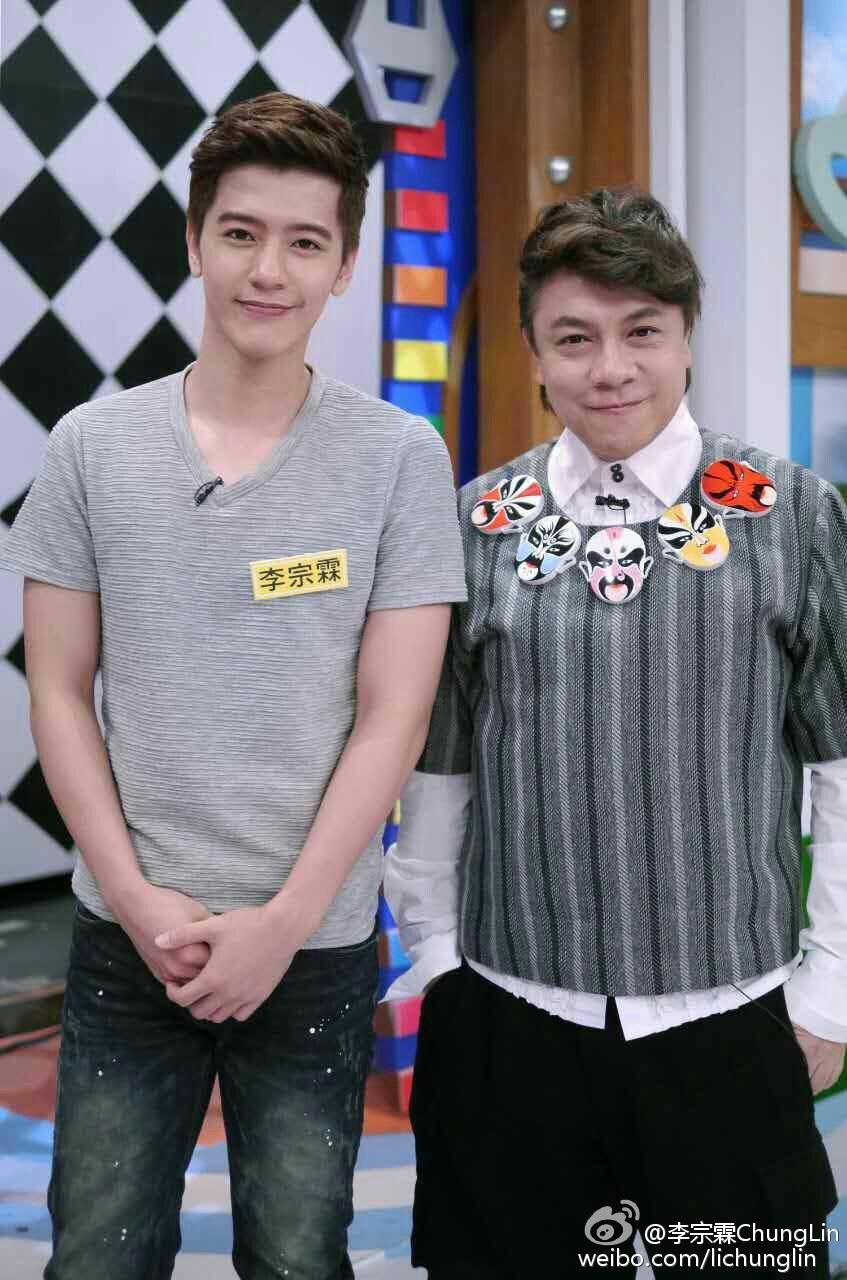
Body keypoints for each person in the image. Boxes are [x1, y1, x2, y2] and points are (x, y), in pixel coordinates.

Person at [0, 91, 466, 1280]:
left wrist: (285, 922)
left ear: (344, 265)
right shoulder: (92, 446)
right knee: (96, 1253)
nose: (269, 270)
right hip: (126, 936)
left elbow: (396, 714)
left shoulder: (398, 458)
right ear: (195, 240)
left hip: (313, 944)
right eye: (242, 233)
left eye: (305, 242)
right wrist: (134, 897)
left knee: (299, 1253)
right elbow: (57, 691)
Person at [385, 188, 847, 1278]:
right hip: (509, 1013)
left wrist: (829, 993)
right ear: (534, 353)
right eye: (574, 338)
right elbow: (440, 767)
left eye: (641, 331)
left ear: (686, 337)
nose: (610, 369)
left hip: (731, 1015)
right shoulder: (476, 524)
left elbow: (841, 767)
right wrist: (439, 958)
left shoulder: (792, 515)